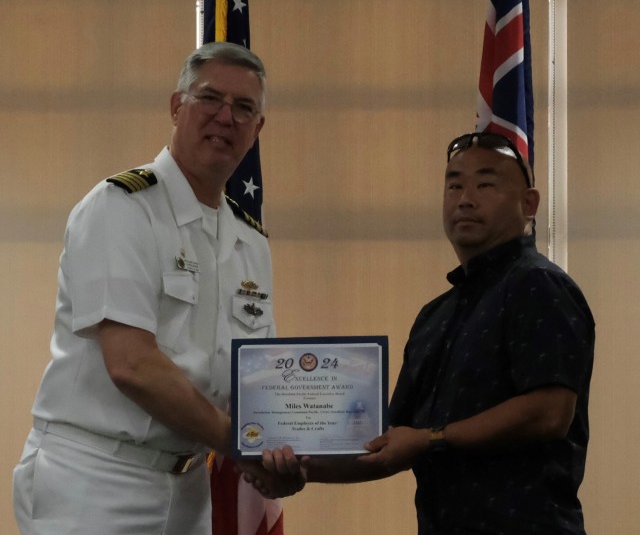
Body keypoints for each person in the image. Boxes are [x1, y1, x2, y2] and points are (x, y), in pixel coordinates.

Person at [13, 41, 301, 535]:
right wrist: (247, 444)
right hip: (95, 478)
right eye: (210, 99)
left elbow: (257, 378)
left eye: (244, 108)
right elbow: (132, 365)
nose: (225, 117)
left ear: (257, 130)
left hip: (188, 487)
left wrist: (287, 445)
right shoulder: (122, 208)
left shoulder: (249, 241)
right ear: (176, 107)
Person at [260, 132, 595, 535]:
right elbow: (388, 445)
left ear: (529, 204)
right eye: (454, 184)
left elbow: (550, 411)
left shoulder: (538, 285)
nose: (465, 198)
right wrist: (300, 468)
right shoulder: (436, 315)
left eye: (485, 184)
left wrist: (432, 439)